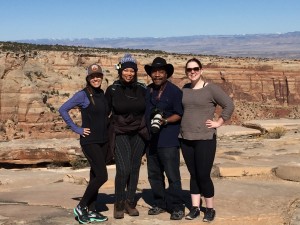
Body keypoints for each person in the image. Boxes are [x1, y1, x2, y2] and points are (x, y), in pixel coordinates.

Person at [179, 58, 234, 222]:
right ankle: (195, 208)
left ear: (201, 70)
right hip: (185, 137)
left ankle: (210, 209)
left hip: (205, 138)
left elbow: (229, 105)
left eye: (195, 69)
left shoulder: (211, 89)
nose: (192, 72)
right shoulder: (185, 89)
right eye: (189, 70)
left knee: (203, 175)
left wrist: (219, 122)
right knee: (193, 174)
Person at [59, 64, 109, 224]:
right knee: (102, 175)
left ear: (102, 77)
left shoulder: (101, 93)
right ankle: (81, 206)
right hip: (89, 141)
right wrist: (76, 129)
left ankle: (92, 210)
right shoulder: (83, 95)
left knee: (95, 174)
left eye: (98, 76)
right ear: (88, 78)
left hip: (103, 141)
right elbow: (63, 109)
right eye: (92, 76)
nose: (95, 79)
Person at [105, 53, 148, 219]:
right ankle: (119, 203)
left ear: (135, 72)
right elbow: (104, 111)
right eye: (126, 70)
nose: (128, 73)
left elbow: (150, 109)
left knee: (135, 168)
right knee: (123, 169)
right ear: (120, 71)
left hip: (138, 133)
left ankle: (130, 202)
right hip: (120, 132)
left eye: (132, 70)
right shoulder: (113, 89)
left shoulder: (142, 89)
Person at [144, 57, 185, 220]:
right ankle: (160, 203)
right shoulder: (148, 91)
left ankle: (177, 206)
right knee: (154, 175)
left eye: (161, 72)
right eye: (154, 72)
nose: (157, 75)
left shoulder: (175, 92)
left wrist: (165, 121)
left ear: (166, 74)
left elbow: (179, 114)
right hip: (151, 141)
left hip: (168, 141)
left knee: (172, 175)